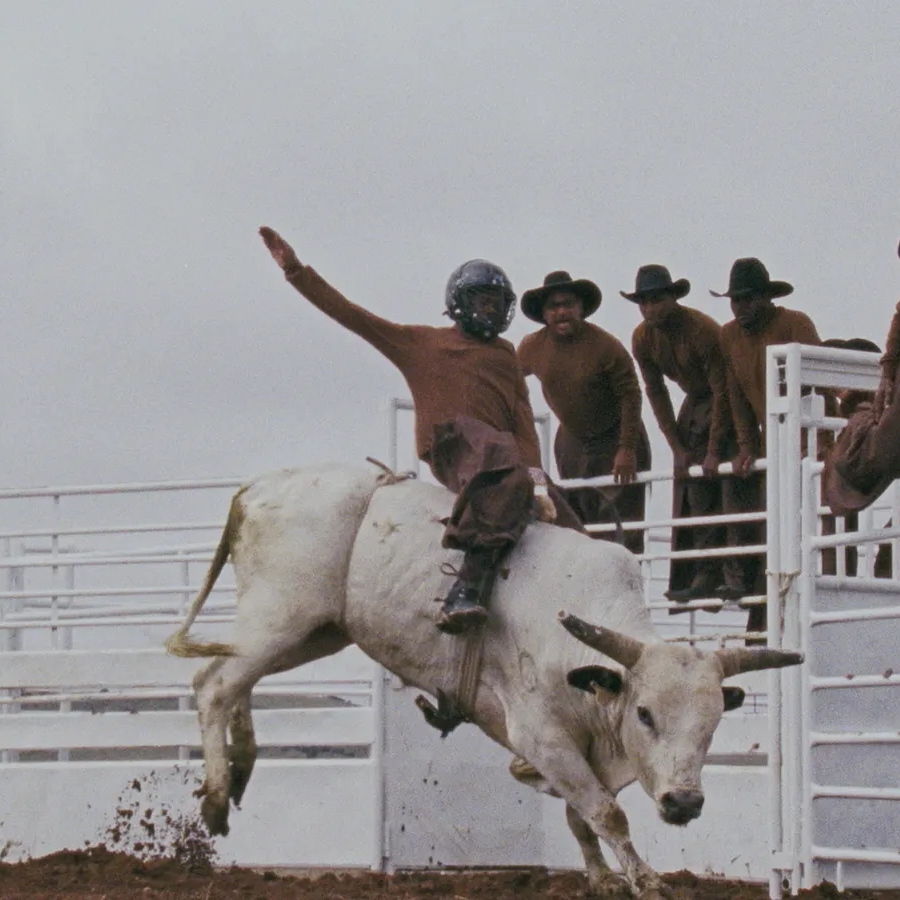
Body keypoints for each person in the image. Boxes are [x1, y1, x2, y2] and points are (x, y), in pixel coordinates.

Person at [259, 227, 582, 637]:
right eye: (483, 301)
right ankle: (465, 589)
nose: (492, 310)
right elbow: (355, 317)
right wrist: (297, 272)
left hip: (501, 459)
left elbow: (523, 424)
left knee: (567, 518)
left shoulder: (505, 354)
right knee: (499, 455)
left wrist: (539, 485)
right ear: (460, 304)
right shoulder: (420, 343)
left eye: (498, 303)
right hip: (453, 443)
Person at [713, 257, 824, 637]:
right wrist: (747, 446)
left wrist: (815, 447)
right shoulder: (728, 336)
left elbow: (820, 384)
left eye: (748, 299)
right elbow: (736, 395)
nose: (741, 307)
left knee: (807, 529)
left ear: (766, 297)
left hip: (811, 441)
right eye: (735, 300)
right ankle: (763, 620)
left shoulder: (794, 323)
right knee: (768, 528)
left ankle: (802, 619)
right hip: (769, 444)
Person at [623, 264, 738, 604]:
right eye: (643, 303)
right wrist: (674, 445)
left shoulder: (702, 329)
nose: (649, 309)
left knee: (728, 485)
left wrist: (715, 447)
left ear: (672, 298)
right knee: (690, 488)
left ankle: (732, 576)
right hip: (694, 404)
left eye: (656, 300)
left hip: (730, 399)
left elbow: (723, 388)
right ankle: (700, 572)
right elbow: (655, 391)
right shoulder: (642, 337)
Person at [518, 271, 652, 554]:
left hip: (617, 437)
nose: (562, 312)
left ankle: (625, 589)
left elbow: (631, 393)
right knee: (577, 522)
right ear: (544, 313)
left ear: (581, 308)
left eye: (568, 304)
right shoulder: (532, 347)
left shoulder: (605, 345)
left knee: (621, 528)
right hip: (572, 442)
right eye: (554, 306)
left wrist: (626, 449)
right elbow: (510, 382)